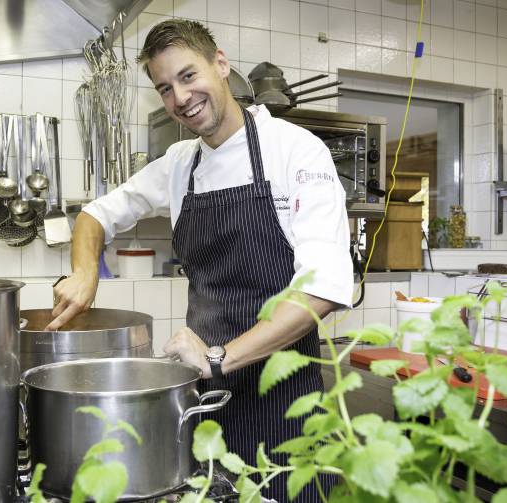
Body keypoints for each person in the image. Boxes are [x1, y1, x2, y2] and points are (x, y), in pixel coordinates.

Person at [47, 19, 352, 502]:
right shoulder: (180, 163)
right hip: (205, 408)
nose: (180, 98)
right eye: (165, 88)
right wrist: (85, 273)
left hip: (289, 409)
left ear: (221, 65)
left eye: (189, 76)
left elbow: (321, 290)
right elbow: (94, 215)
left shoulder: (294, 150)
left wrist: (218, 358)